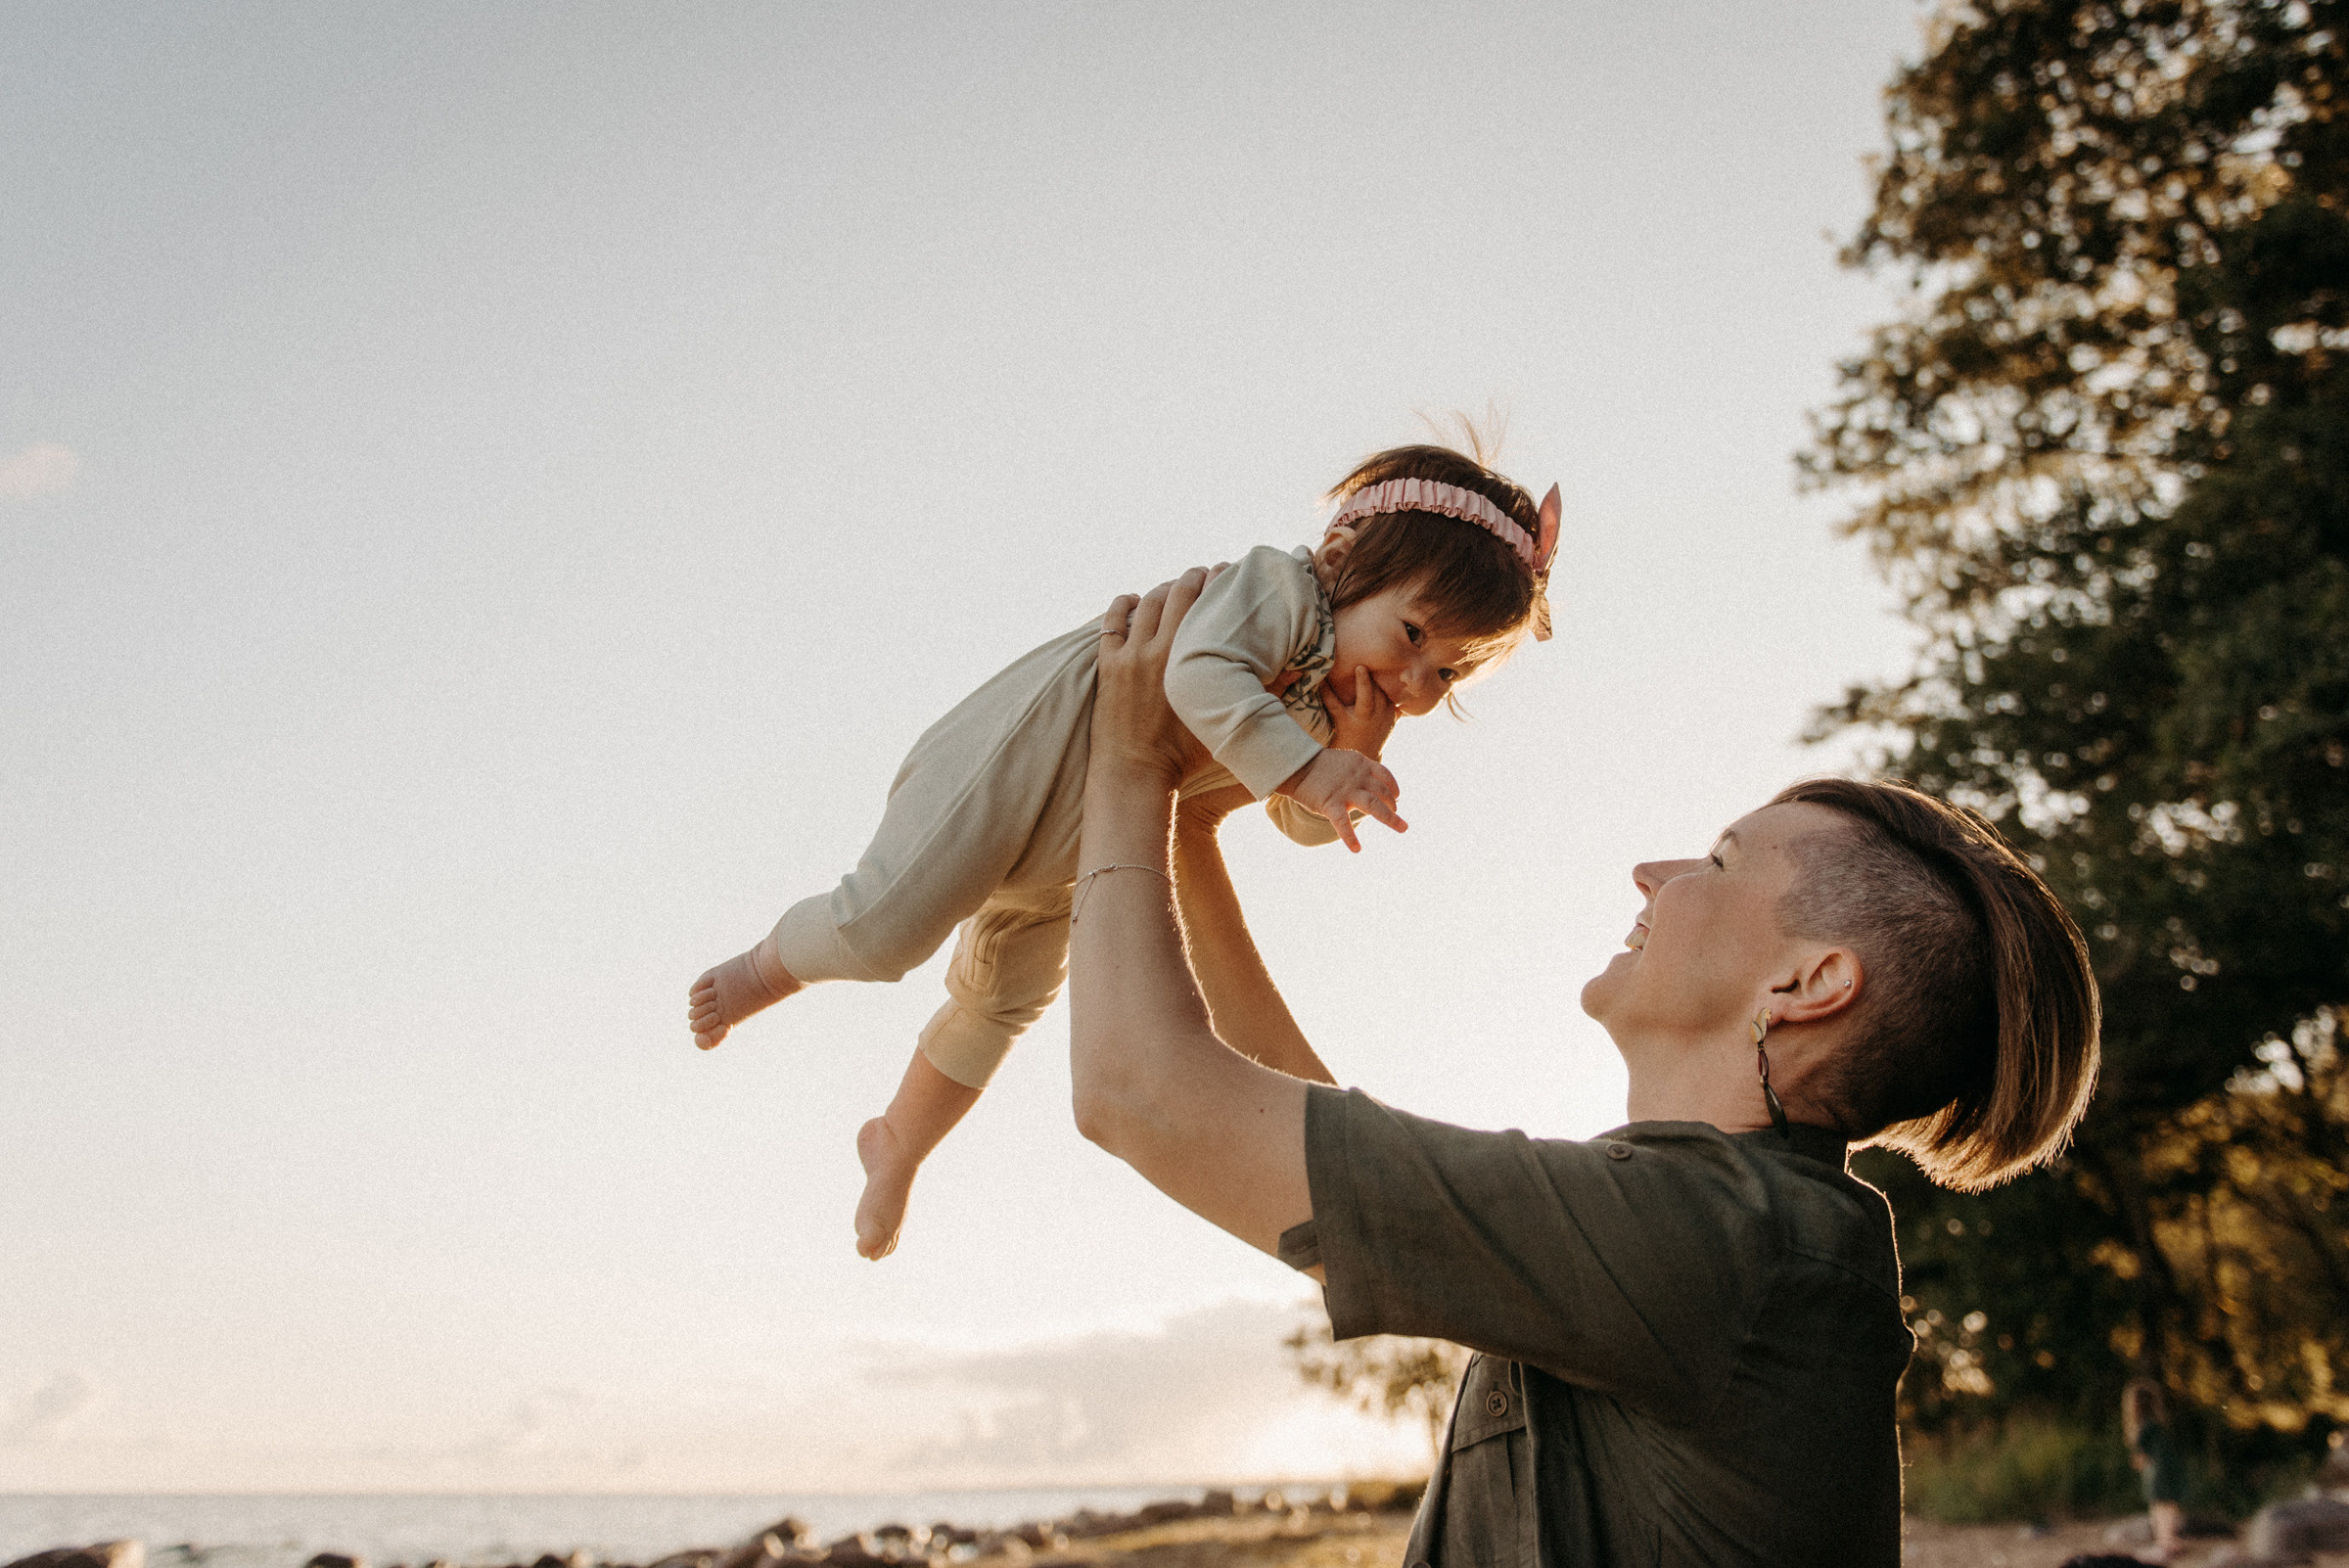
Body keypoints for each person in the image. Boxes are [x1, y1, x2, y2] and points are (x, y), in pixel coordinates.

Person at [1066, 571, 2103, 1564]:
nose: (1653, 873)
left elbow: (1140, 1096)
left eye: (1722, 861)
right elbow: (1276, 1113)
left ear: (1807, 982)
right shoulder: (1713, 1228)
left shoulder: (1723, 1243)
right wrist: (1190, 820)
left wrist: (1128, 761)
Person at [687, 443, 1562, 1258]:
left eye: (1444, 674)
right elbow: (1197, 674)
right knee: (885, 930)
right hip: (1022, 759)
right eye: (1412, 636)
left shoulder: (1330, 712)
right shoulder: (1281, 596)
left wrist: (1352, 756)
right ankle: (763, 969)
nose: (1413, 684)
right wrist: (1313, 763)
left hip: (1083, 844)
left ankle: (897, 1142)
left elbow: (1292, 815)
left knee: (1004, 999)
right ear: (1341, 560)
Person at [2125, 1378, 2188, 1561]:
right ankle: (2170, 1541)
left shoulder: (2144, 1428)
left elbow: (2140, 1455)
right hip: (2169, 1470)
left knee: (2159, 1508)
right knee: (2169, 1506)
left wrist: (2138, 1462)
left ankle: (2164, 1543)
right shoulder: (2158, 1425)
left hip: (2157, 1474)